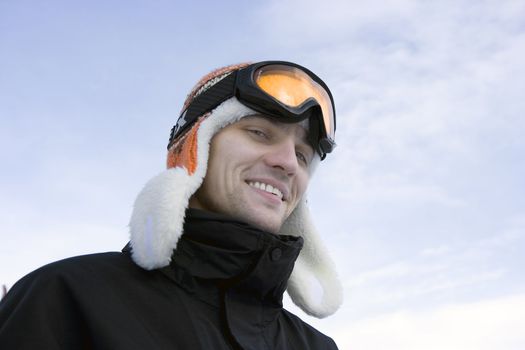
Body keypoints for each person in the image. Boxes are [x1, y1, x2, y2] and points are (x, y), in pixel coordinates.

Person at [0, 60, 343, 349]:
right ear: (195, 149)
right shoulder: (66, 299)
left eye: (302, 155)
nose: (288, 163)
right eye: (259, 132)